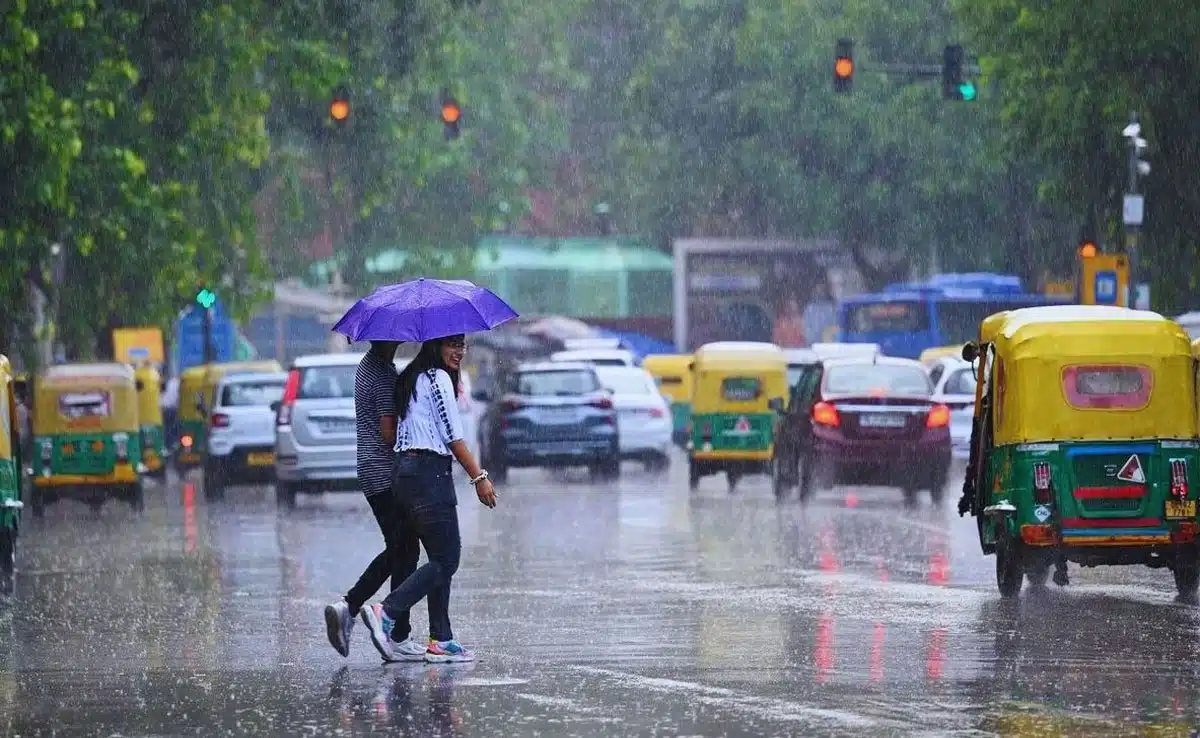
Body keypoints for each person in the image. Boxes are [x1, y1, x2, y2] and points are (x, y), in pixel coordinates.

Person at [360, 334, 497, 663]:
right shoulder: (437, 379)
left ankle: (441, 639)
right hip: (428, 473)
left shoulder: (412, 376)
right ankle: (387, 611)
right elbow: (453, 436)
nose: (458, 351)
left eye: (461, 345)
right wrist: (479, 478)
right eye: (451, 344)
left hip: (405, 474)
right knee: (447, 559)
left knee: (437, 557)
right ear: (435, 346)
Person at [323, 341, 424, 661]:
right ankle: (394, 631)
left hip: (372, 469)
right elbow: (389, 433)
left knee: (400, 548)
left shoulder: (369, 366)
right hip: (384, 472)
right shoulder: (381, 374)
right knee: (406, 549)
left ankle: (355, 610)